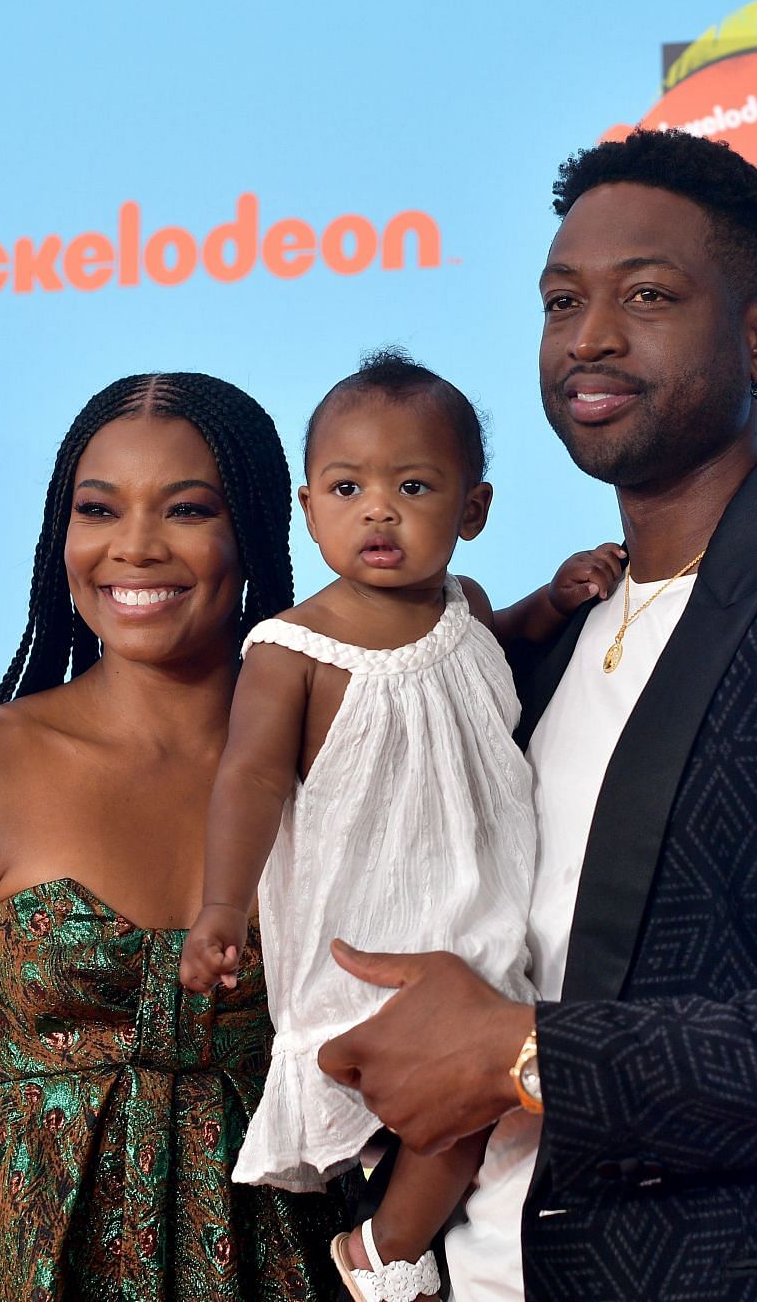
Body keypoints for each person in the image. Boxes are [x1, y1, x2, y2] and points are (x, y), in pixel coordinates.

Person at [315, 130, 757, 1300]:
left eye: (647, 295)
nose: (590, 336)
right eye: (562, 301)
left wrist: (524, 1054)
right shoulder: (538, 641)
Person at [0, 373, 346, 1301]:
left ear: (256, 532)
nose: (135, 547)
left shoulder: (339, 767)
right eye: (98, 508)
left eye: (187, 508)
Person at [178, 351, 623, 1302]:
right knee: (458, 1096)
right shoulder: (292, 648)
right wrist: (222, 907)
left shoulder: (460, 608)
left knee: (489, 1095)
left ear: (473, 510)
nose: (378, 510)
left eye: (412, 486)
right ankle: (382, 1255)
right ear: (308, 507)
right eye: (349, 487)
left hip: (470, 913)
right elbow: (250, 778)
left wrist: (556, 599)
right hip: (369, 938)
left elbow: (493, 649)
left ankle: (395, 1244)